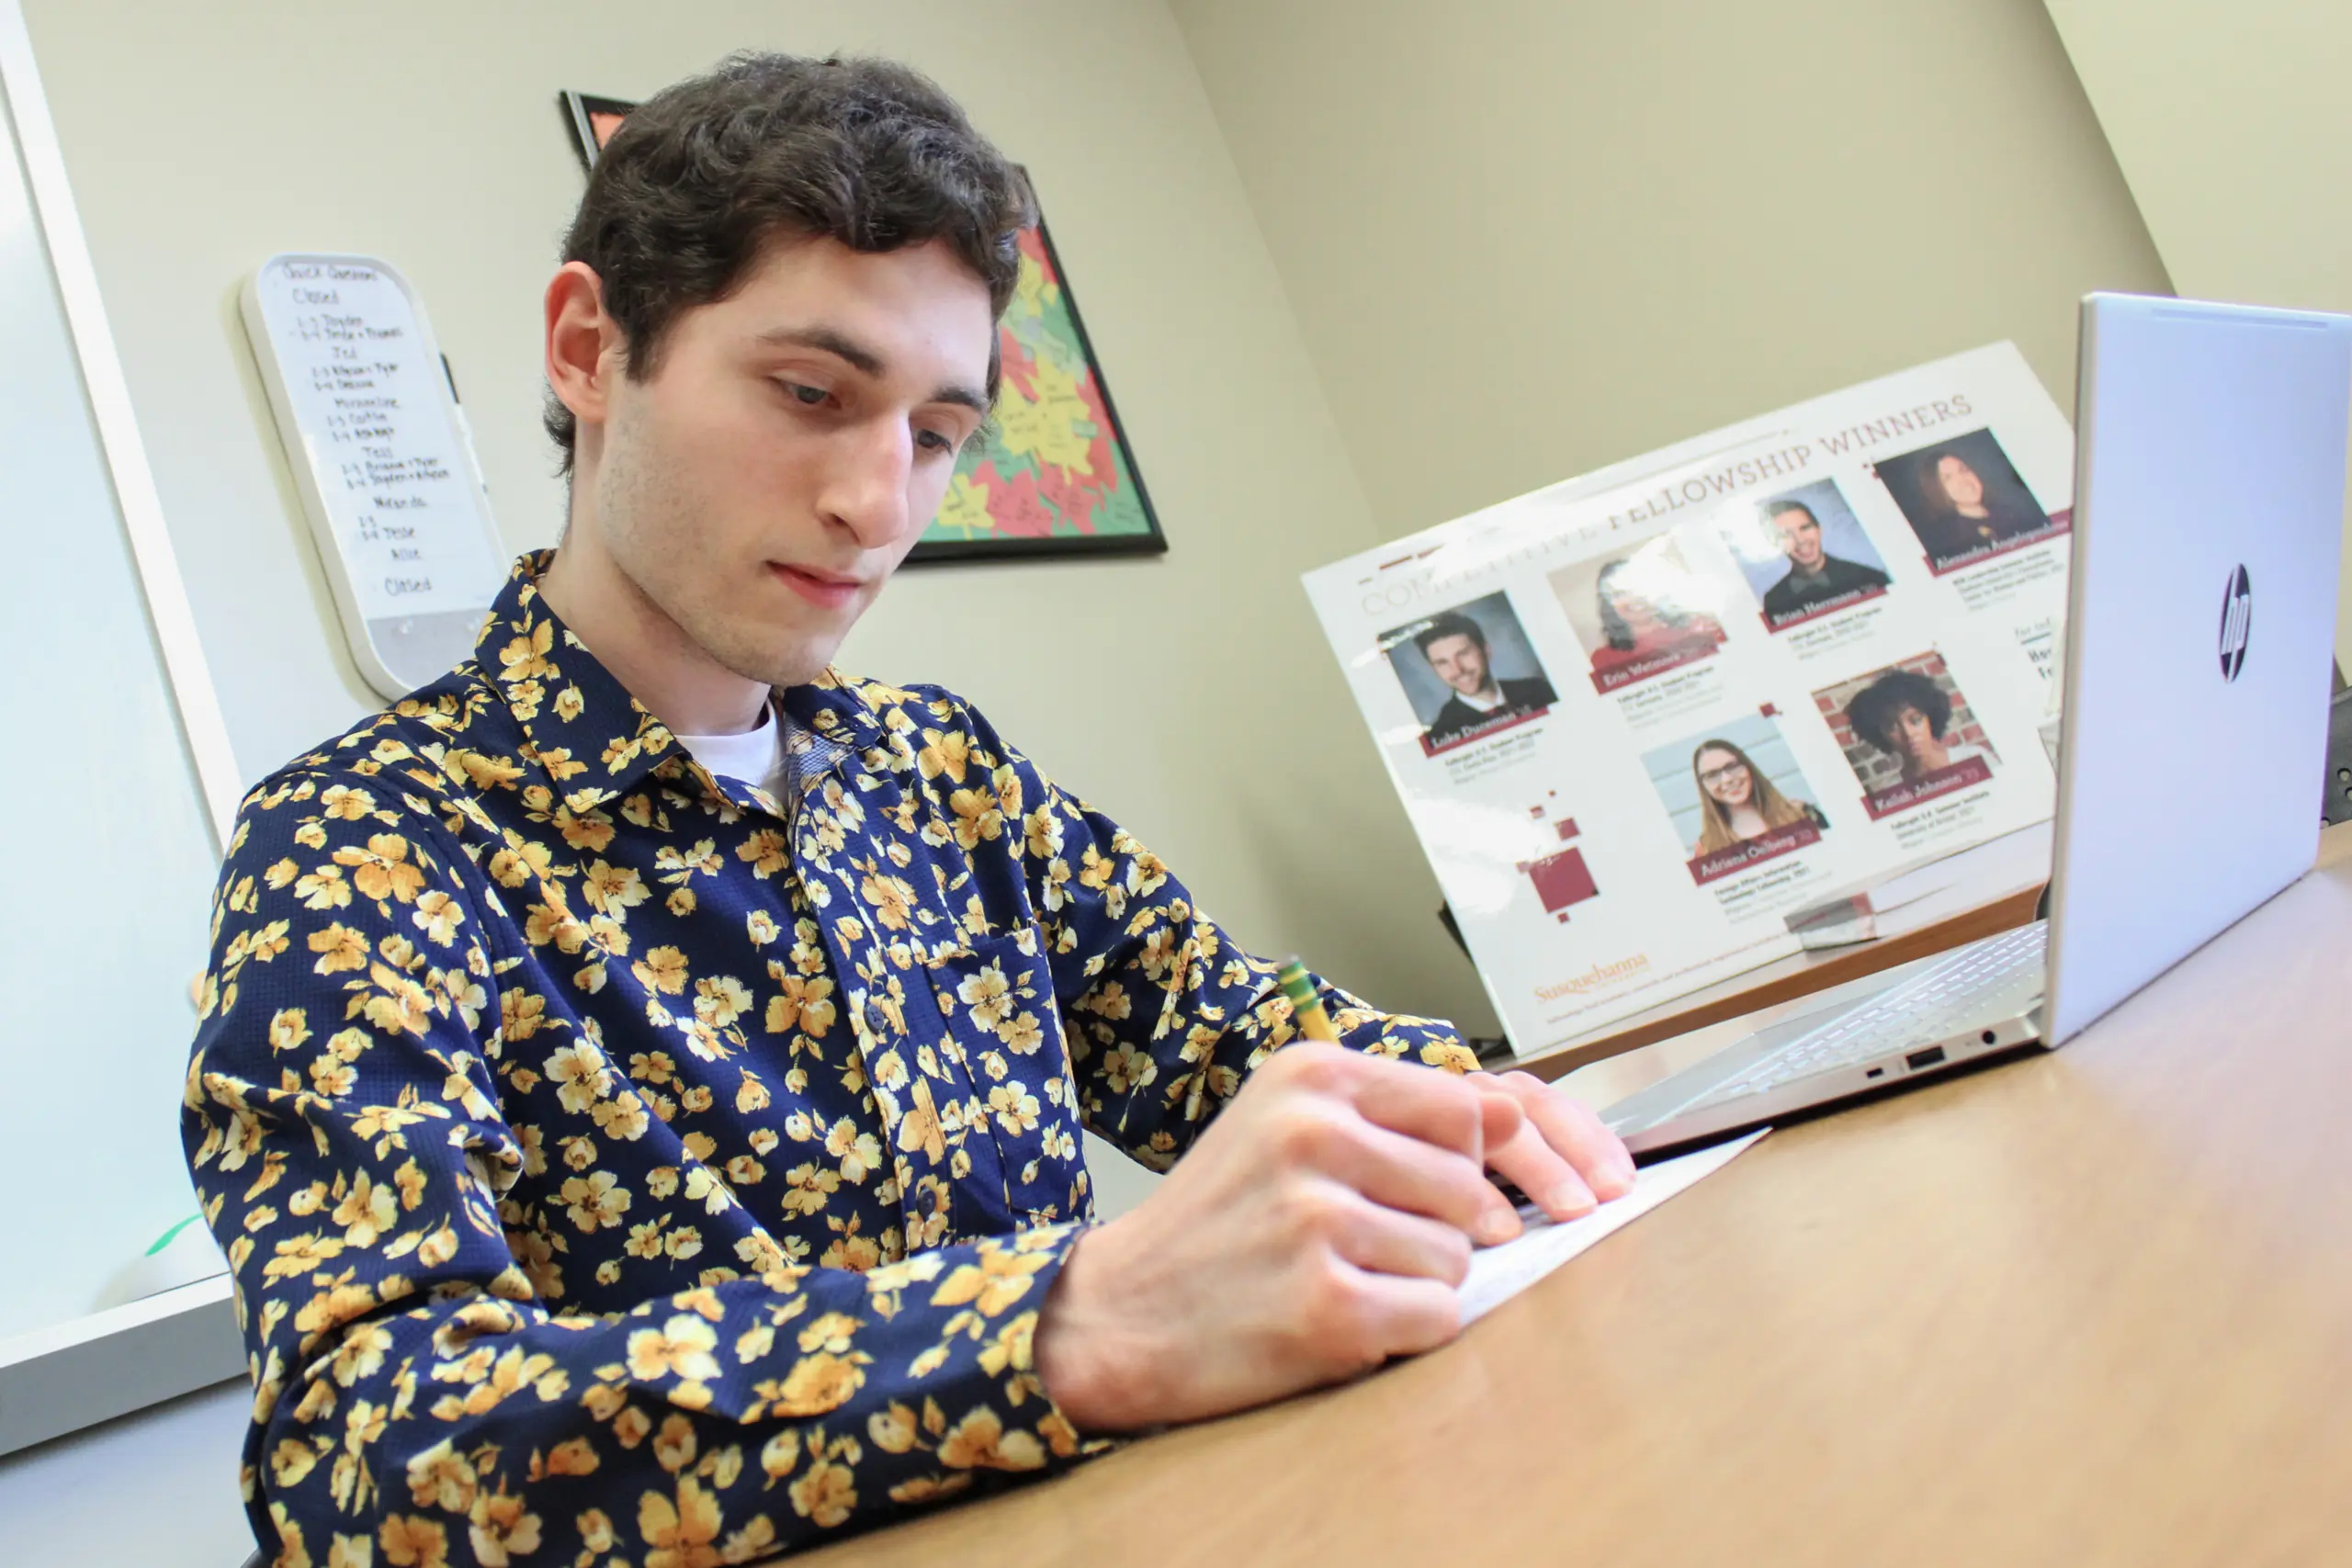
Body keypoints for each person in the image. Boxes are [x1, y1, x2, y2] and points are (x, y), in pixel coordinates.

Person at [180, 54, 1634, 1566]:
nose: (880, 504)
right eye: (813, 394)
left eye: (936, 434)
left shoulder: (937, 773)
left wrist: (1472, 1117)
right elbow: (369, 1451)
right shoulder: (362, 844)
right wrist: (1069, 1323)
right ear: (589, 349)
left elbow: (1224, 1027)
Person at [1412, 610, 1557, 745]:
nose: (1458, 670)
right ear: (1434, 669)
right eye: (1442, 663)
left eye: (1463, 654)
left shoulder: (1541, 690)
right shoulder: (1440, 735)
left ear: (1486, 650)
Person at [1844, 668, 1991, 784]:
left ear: (1930, 718)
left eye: (1915, 721)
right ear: (1880, 734)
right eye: (1892, 727)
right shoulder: (1893, 790)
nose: (1908, 733)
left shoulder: (1975, 758)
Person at [1588, 554, 1725, 678]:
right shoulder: (1602, 660)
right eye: (1618, 594)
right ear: (1608, 606)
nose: (1631, 598)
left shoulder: (1703, 627)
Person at [1906, 448, 2051, 565]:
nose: (1963, 480)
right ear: (1936, 489)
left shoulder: (2011, 513)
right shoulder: (1949, 541)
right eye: (1948, 478)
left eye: (1964, 470)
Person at [1758, 499, 1889, 625]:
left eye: (1805, 528)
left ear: (1819, 530)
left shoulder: (1869, 578)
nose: (1800, 540)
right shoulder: (1773, 600)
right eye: (1785, 535)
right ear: (1773, 543)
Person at [1689, 739, 1828, 856]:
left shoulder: (1803, 814)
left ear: (1748, 767)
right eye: (1712, 775)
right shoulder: (1706, 849)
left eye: (1732, 766)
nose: (1727, 779)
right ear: (1702, 786)